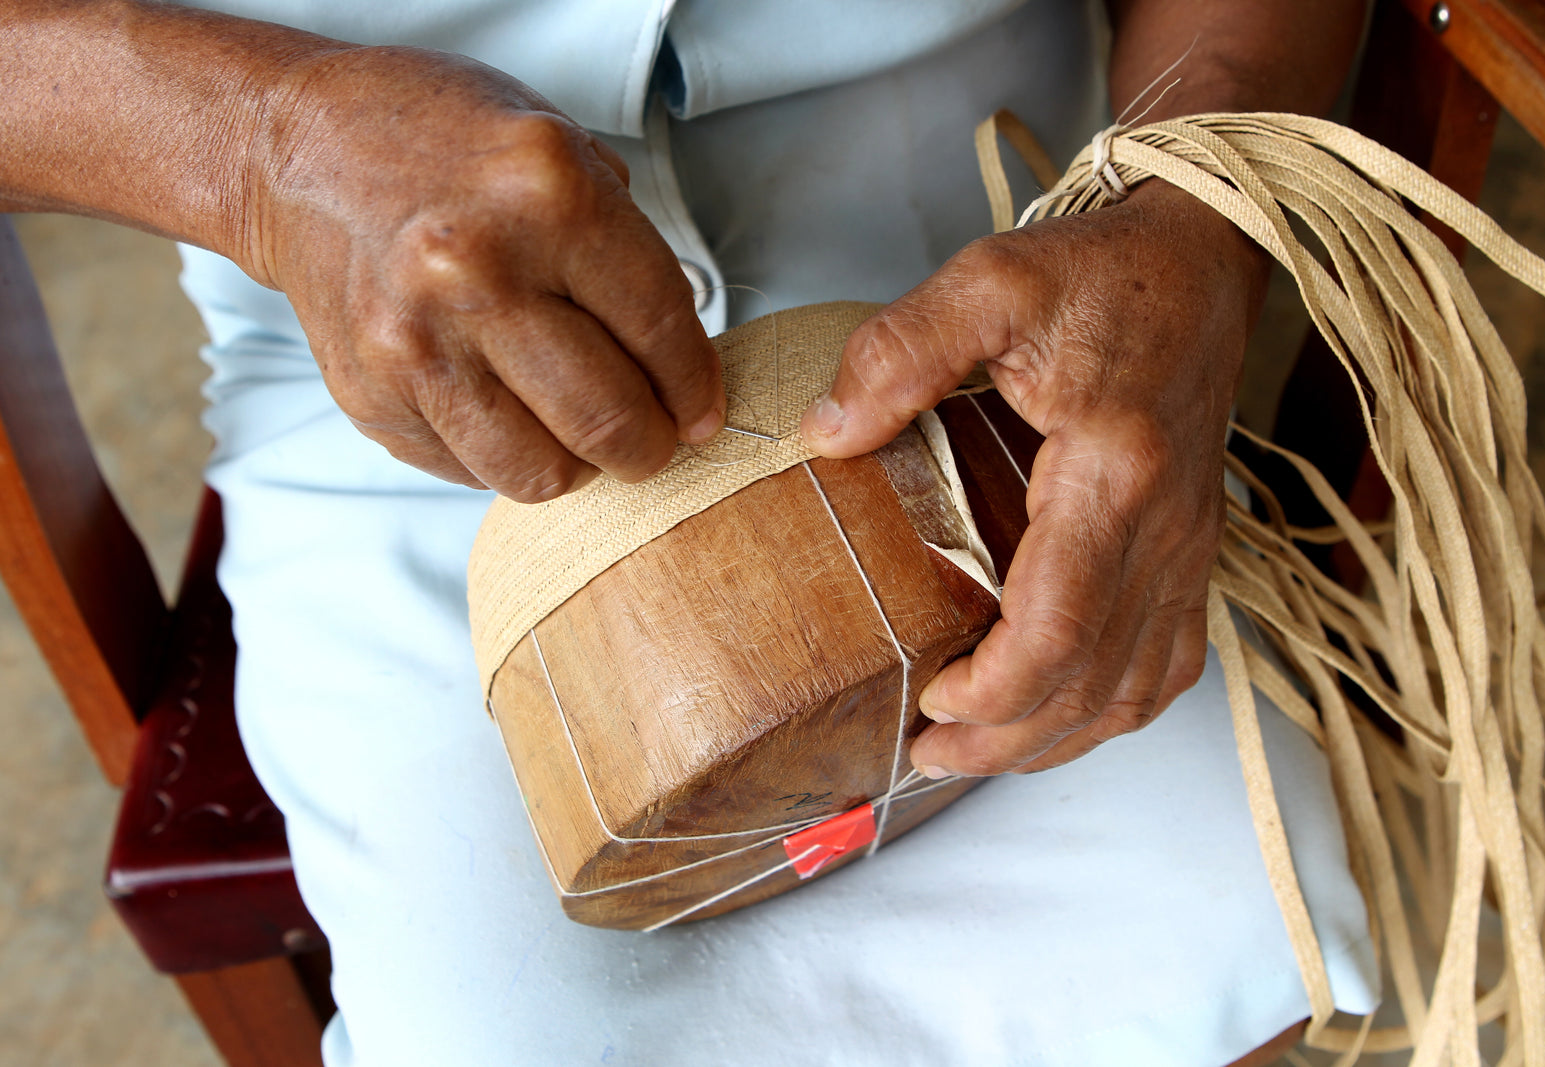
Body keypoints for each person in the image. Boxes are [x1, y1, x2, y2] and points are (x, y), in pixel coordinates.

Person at [4, 1, 1381, 1063]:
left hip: (982, 288)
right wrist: (261, 150)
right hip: (391, 353)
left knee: (1216, 925)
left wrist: (1195, 206)